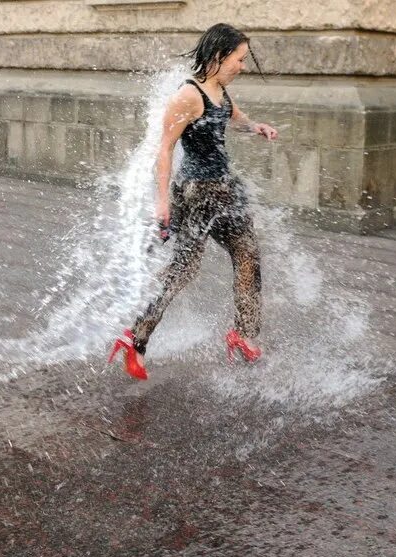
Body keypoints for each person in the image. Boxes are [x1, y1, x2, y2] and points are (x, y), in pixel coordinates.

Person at [108, 23, 279, 380]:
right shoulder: (188, 96)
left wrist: (256, 126)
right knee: (184, 270)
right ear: (218, 56)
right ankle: (135, 337)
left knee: (248, 256)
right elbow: (165, 149)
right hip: (196, 194)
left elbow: (235, 118)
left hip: (225, 189)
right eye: (239, 59)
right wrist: (162, 203)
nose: (242, 66)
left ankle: (243, 335)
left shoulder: (221, 90)